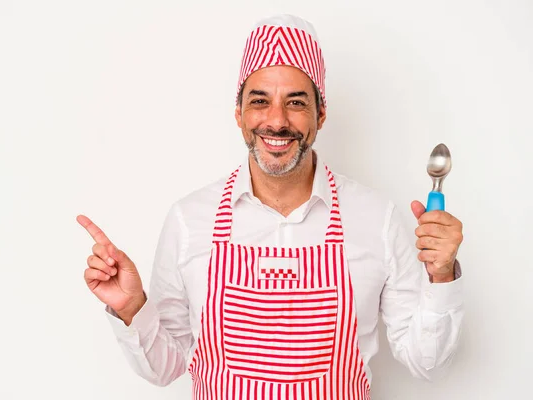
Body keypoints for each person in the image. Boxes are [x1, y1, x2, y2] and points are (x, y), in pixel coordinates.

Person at [77, 14, 464, 399]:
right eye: (259, 101)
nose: (276, 121)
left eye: (295, 102)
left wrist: (442, 275)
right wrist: (132, 309)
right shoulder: (189, 219)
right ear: (239, 115)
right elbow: (168, 367)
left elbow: (426, 362)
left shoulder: (376, 219)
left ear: (321, 114)